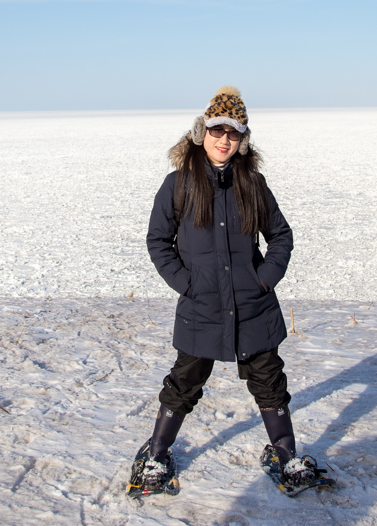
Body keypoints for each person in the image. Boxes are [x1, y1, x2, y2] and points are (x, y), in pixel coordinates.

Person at [136, 86, 320, 492]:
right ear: (203, 132)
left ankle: (287, 455)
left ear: (242, 140)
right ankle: (156, 454)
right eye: (217, 131)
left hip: (252, 307)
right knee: (183, 383)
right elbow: (157, 241)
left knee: (270, 382)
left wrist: (263, 279)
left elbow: (281, 237)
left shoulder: (252, 183)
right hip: (202, 306)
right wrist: (186, 284)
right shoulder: (178, 184)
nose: (224, 141)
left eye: (233, 134)